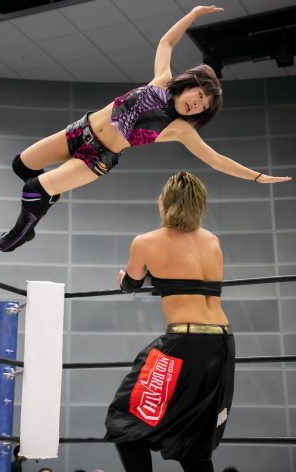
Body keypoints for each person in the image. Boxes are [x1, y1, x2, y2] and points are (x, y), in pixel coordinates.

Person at [0, 6, 291, 252]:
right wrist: (193, 15)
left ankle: (22, 233)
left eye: (203, 107)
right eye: (199, 96)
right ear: (191, 85)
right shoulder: (161, 80)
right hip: (79, 131)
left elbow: (215, 159)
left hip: (96, 158)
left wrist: (256, 176)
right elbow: (167, 42)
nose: (197, 105)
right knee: (22, 165)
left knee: (33, 189)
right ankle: (48, 198)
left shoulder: (179, 128)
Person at [104, 171, 236, 472]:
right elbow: (188, 278)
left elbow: (131, 284)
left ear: (165, 202)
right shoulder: (212, 241)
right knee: (194, 437)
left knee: (125, 420)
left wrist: (123, 279)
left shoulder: (145, 242)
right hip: (222, 343)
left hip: (185, 342)